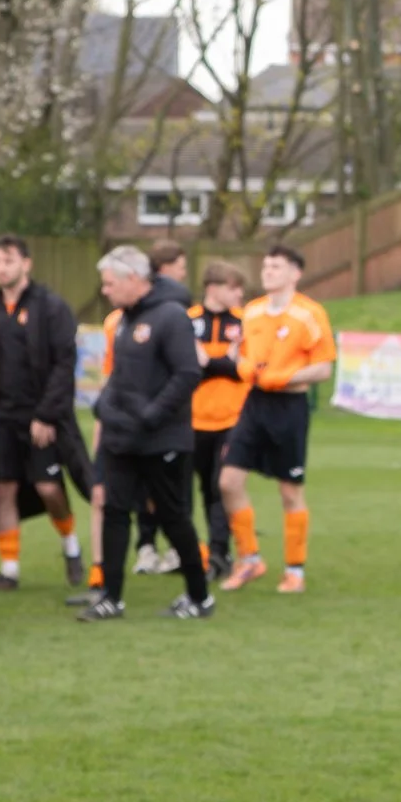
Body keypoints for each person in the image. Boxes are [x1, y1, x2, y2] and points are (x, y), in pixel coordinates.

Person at [75, 245, 213, 622]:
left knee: (172, 517)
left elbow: (187, 374)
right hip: (123, 437)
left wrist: (154, 415)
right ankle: (111, 597)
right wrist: (104, 405)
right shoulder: (122, 320)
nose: (105, 291)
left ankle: (200, 597)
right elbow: (121, 374)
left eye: (109, 284)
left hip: (162, 439)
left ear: (133, 280)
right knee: (116, 511)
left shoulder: (171, 317)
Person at [217, 245, 333, 594]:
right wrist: (242, 365)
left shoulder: (309, 314)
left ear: (294, 273)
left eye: (276, 266)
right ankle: (249, 560)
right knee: (228, 482)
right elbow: (237, 355)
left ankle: (294, 570)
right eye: (265, 265)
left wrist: (288, 376)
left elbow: (324, 367)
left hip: (289, 409)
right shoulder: (250, 313)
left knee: (289, 491)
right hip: (254, 405)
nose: (268, 271)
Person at [0, 234, 90, 590]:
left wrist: (46, 415)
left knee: (48, 488)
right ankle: (9, 568)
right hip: (1, 418)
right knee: (3, 490)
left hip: (40, 417)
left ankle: (70, 546)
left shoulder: (51, 307)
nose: (1, 268)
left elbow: (64, 363)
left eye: (9, 261)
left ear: (26, 264)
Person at [134, 239, 196, 575]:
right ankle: (154, 547)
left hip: (164, 416)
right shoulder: (135, 316)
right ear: (165, 268)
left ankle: (162, 549)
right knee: (158, 488)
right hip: (156, 417)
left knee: (164, 488)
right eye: (181, 267)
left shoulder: (177, 310)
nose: (184, 275)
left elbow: (187, 368)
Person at [186, 261, 249, 581]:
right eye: (233, 287)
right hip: (194, 420)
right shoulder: (189, 321)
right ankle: (205, 552)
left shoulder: (245, 322)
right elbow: (188, 368)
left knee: (220, 486)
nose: (239, 294)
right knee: (200, 487)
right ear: (213, 287)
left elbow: (242, 369)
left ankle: (220, 553)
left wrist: (209, 360)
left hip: (232, 419)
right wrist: (223, 360)